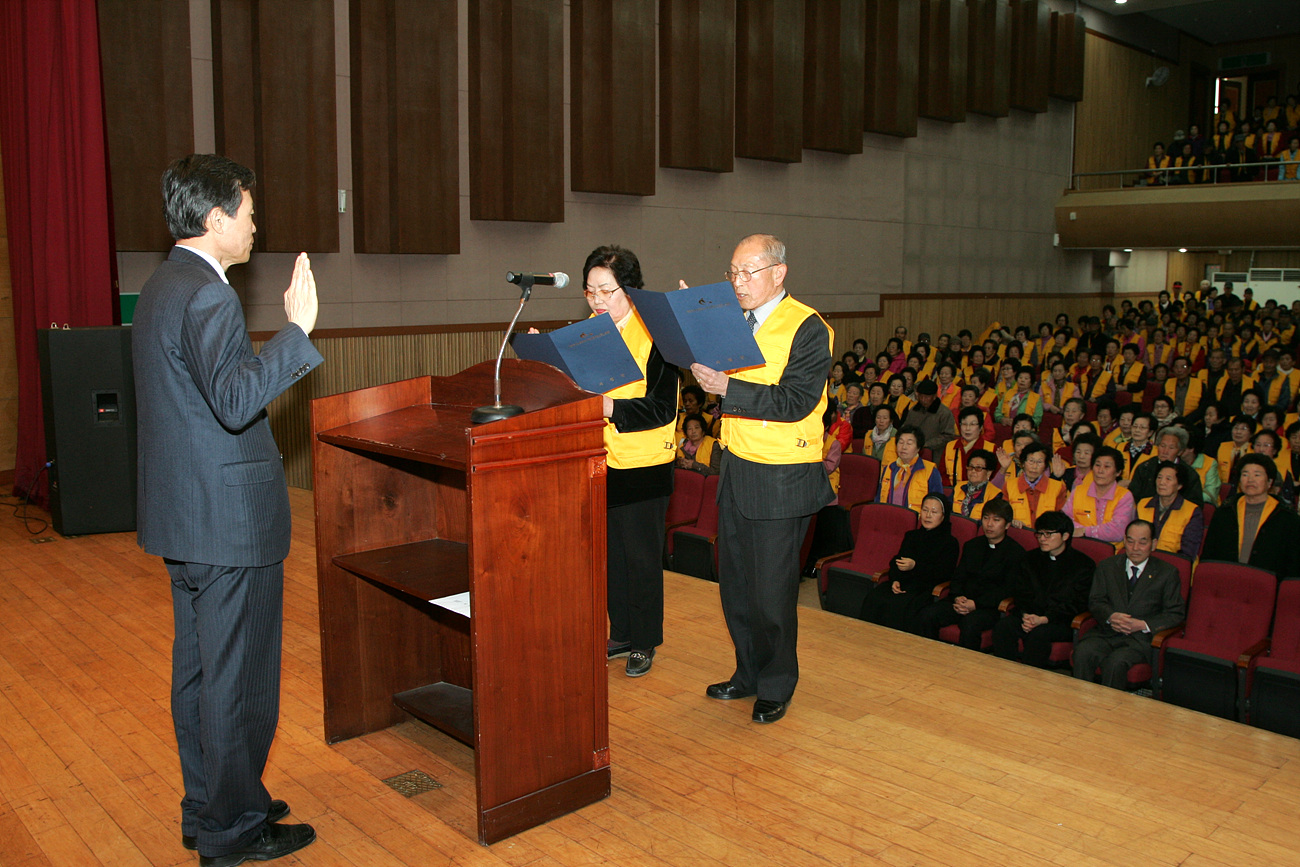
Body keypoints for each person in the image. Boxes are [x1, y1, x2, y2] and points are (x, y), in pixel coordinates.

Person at [134, 154, 321, 863]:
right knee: (237, 679)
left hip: (186, 518)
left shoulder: (161, 285)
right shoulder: (208, 295)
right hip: (229, 525)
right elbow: (239, 401)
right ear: (215, 220)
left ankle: (209, 803)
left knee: (200, 674)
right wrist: (297, 329)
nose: (255, 224)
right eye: (247, 212)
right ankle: (234, 827)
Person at [691, 234, 834, 725]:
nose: (738, 281)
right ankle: (747, 672)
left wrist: (729, 386)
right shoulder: (732, 321)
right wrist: (694, 326)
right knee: (735, 585)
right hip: (735, 465)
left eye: (749, 271)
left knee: (772, 592)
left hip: (781, 475)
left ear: (779, 272)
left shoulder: (809, 328)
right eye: (733, 271)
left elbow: (794, 401)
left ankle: (776, 684)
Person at [1072, 521, 1186, 690]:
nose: (1135, 548)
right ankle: (1078, 705)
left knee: (1116, 663)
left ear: (1153, 544)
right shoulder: (1108, 566)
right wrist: (1111, 617)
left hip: (1139, 640)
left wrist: (1142, 625)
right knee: (1083, 651)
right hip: (1107, 633)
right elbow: (1096, 600)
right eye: (1131, 541)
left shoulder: (1167, 573)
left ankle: (1110, 712)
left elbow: (1175, 613)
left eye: (1142, 542)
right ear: (1124, 540)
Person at [916, 497, 1024, 649]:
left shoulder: (1015, 553)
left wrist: (976, 604)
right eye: (986, 518)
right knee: (927, 615)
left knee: (970, 624)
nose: (989, 524)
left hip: (988, 607)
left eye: (996, 520)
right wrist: (958, 596)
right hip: (960, 600)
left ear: (1007, 524)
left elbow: (1008, 589)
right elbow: (958, 577)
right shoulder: (972, 545)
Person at [992, 511, 1094, 669]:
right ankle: (1004, 674)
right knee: (1004, 626)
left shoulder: (1083, 566)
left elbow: (1077, 604)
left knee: (1038, 635)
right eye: (1039, 534)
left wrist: (1044, 619)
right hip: (1029, 615)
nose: (1042, 539)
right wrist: (1027, 615)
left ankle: (1029, 682)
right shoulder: (1030, 559)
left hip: (1060, 621)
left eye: (1048, 534)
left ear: (1065, 536)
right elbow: (1020, 592)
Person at [860, 494, 960, 633]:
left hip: (925, 588)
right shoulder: (912, 536)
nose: (928, 515)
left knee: (899, 606)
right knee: (874, 597)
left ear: (943, 516)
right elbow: (897, 561)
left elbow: (943, 573)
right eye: (925, 510)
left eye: (934, 512)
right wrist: (895, 579)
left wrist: (915, 566)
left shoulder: (950, 543)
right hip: (903, 582)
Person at [1201, 454, 1300, 580]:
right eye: (1245, 474)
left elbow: (1293, 563)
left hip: (1267, 584)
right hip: (1226, 579)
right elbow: (1209, 552)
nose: (1250, 479)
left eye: (1257, 475)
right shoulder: (1225, 511)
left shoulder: (1287, 517)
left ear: (1269, 482)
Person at [1063, 446, 1134, 546]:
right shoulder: (1079, 491)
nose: (1100, 471)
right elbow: (1065, 520)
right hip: (1078, 546)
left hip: (1112, 552)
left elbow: (1118, 531)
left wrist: (1084, 531)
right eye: (1097, 465)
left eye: (1107, 467)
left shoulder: (1125, 496)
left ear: (1118, 472)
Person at [1135, 462, 1204, 558]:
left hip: (1173, 562)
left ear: (1179, 485)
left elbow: (1189, 551)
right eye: (1159, 477)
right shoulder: (1143, 504)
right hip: (1142, 559)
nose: (1161, 482)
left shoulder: (1192, 511)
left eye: (1168, 479)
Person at [1128, 425, 1203, 505]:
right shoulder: (1144, 468)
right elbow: (1132, 498)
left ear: (1180, 451)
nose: (1165, 451)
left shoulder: (1189, 474)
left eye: (1171, 448)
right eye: (1162, 446)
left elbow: (1194, 505)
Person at [878, 425, 943, 513]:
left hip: (916, 522)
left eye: (909, 443)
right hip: (888, 518)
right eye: (900, 442)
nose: (904, 447)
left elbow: (937, 503)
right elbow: (878, 498)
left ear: (918, 448)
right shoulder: (889, 468)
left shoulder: (930, 471)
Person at [903, 379, 955, 455]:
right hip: (912, 451)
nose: (923, 400)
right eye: (921, 397)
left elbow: (948, 436)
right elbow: (905, 428)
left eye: (927, 397)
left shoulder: (944, 413)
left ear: (934, 396)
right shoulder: (914, 410)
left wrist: (926, 444)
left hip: (934, 453)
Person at [953, 449, 1001, 519]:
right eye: (971, 467)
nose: (973, 471)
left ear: (988, 473)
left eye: (978, 468)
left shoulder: (995, 494)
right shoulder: (959, 487)